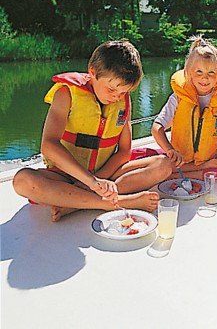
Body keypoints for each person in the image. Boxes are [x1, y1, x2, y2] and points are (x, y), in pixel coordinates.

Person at [13, 40, 172, 221]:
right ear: (92, 72)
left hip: (106, 173)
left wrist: (96, 181)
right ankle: (115, 203)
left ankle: (75, 204)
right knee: (23, 181)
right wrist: (90, 181)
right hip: (65, 176)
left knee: (163, 165)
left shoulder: (123, 100)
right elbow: (48, 146)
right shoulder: (66, 94)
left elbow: (124, 152)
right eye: (111, 89)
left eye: (123, 92)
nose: (116, 97)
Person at [151, 36, 217, 184]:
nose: (205, 78)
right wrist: (169, 150)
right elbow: (157, 128)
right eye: (199, 72)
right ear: (188, 72)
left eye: (211, 73)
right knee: (136, 155)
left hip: (210, 158)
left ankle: (176, 175)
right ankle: (198, 170)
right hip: (178, 159)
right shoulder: (178, 97)